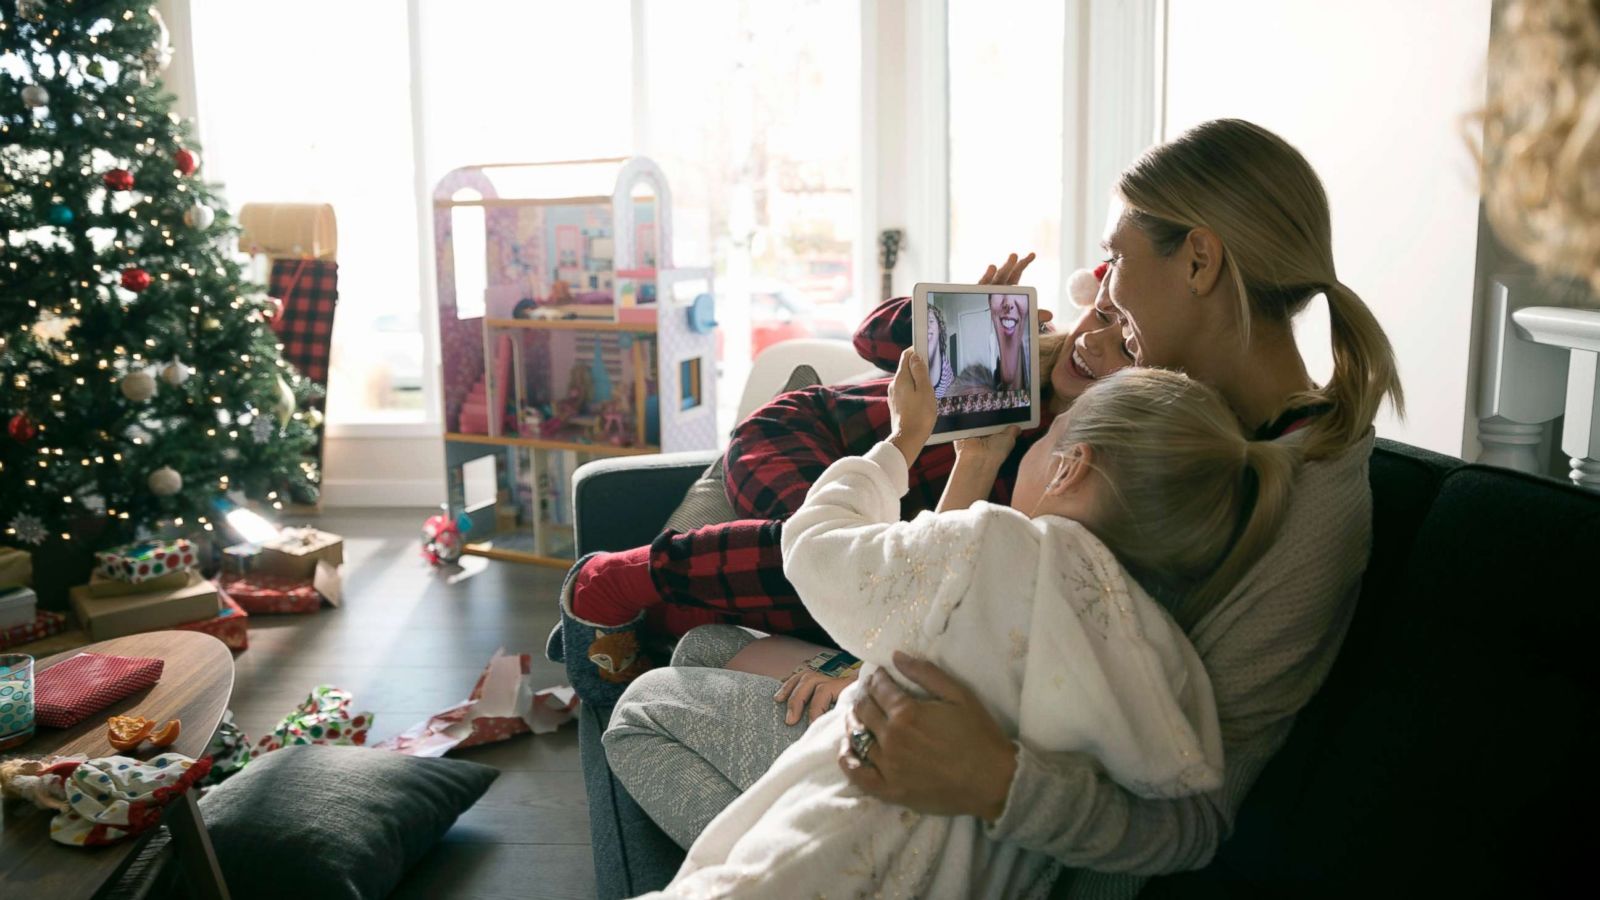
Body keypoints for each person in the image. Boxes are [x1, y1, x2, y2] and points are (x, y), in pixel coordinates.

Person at [603, 118, 1403, 898]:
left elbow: (1187, 821)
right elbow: (982, 591)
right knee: (703, 651)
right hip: (965, 721)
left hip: (989, 830)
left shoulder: (1302, 495)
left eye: (1116, 258)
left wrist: (991, 780)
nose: (1106, 293)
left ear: (1198, 260)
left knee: (645, 707)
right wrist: (978, 457)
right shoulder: (1185, 421)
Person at [636, 356, 1295, 899]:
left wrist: (900, 443)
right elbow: (1189, 815)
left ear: (1072, 467)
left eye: (1044, 441)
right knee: (705, 651)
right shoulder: (1165, 654)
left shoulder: (1005, 544)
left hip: (836, 846)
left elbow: (814, 550)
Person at [547, 254, 1134, 704]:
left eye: (1125, 348)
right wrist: (958, 314)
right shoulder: (1017, 350)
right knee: (827, 556)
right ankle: (614, 580)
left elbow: (947, 564)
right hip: (807, 432)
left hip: (878, 505)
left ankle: (678, 617)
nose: (1093, 342)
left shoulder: (1061, 465)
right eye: (1102, 313)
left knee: (861, 571)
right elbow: (869, 338)